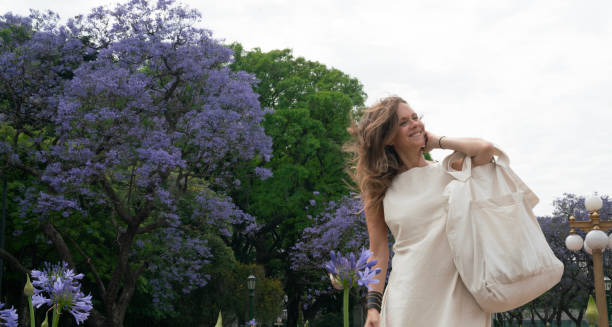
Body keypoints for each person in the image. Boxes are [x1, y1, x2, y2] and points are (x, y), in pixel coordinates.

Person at [345, 96, 495, 327]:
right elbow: (378, 250)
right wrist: (373, 307)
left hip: (460, 293)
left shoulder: (450, 170)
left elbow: (485, 149)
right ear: (387, 138)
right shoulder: (378, 189)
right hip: (408, 296)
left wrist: (438, 142)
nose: (415, 123)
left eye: (415, 118)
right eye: (403, 122)